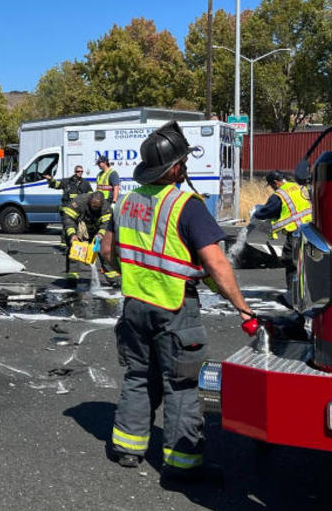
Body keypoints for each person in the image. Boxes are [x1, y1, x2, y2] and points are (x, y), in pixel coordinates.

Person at [103, 121, 256, 481]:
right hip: (175, 310)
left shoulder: (125, 201)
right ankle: (182, 463)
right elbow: (216, 263)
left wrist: (128, 274)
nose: (185, 166)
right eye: (183, 160)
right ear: (175, 168)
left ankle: (127, 447)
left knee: (139, 375)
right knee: (182, 385)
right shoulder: (186, 205)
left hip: (135, 305)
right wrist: (242, 307)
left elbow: (108, 251)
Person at [251, 170, 313, 293]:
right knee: (309, 260)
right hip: (312, 229)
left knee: (290, 260)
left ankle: (293, 293)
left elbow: (267, 212)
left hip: (296, 231)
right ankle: (308, 289)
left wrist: (256, 213)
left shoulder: (279, 195)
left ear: (275, 182)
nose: (273, 189)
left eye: (272, 186)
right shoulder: (299, 187)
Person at [60, 191, 118, 284]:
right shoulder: (79, 202)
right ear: (89, 201)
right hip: (81, 226)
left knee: (104, 247)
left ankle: (112, 276)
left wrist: (100, 234)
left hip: (96, 228)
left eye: (97, 207)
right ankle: (72, 275)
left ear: (102, 203)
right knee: (74, 247)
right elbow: (68, 218)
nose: (95, 208)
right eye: (93, 206)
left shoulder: (106, 207)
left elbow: (107, 224)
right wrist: (72, 234)